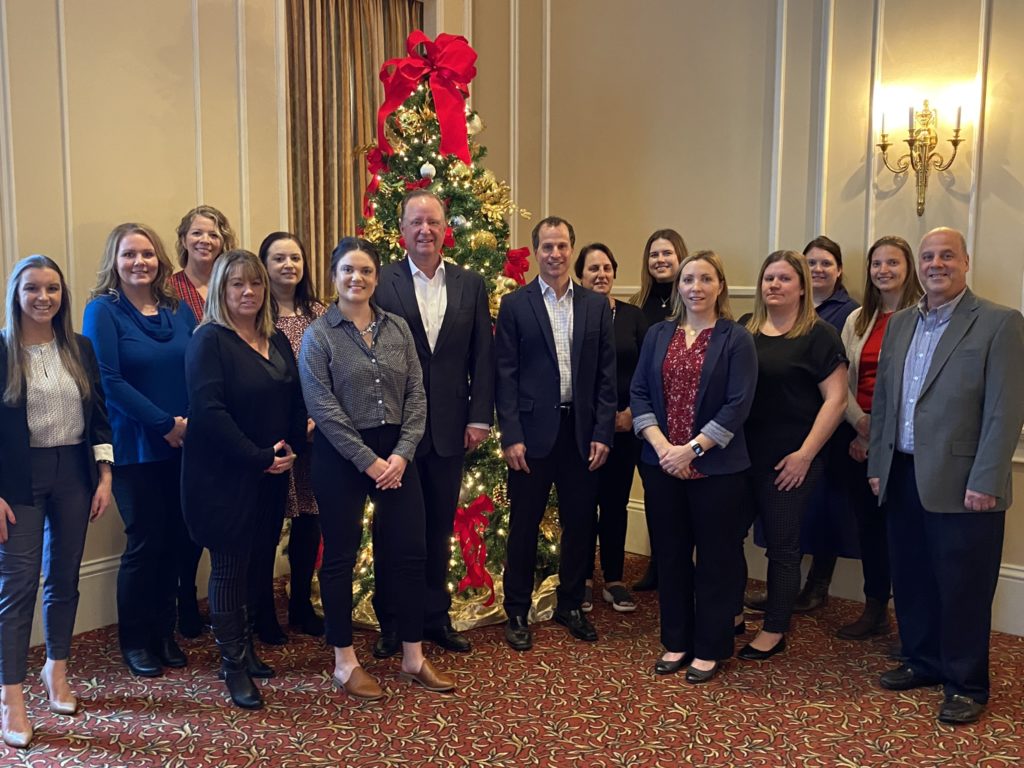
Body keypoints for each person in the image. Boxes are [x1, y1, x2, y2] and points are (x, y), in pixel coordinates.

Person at [869, 227, 1024, 725]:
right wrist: (878, 465)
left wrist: (988, 478)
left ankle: (966, 683)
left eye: (947, 256)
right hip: (903, 473)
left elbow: (1006, 410)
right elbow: (887, 404)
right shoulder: (900, 324)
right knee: (911, 577)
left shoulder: (1000, 323)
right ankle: (922, 661)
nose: (937, 264)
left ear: (966, 262)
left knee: (963, 587)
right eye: (929, 256)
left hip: (966, 484)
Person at [300, 237, 455, 701]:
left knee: (410, 553)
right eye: (348, 270)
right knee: (342, 557)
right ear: (334, 276)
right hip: (342, 456)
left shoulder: (397, 329)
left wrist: (402, 454)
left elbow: (417, 396)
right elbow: (322, 407)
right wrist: (368, 462)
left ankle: (412, 656)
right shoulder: (319, 334)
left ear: (376, 277)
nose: (357, 278)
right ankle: (344, 662)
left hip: (397, 455)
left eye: (366, 271)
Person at [181, 250, 306, 710]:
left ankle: (247, 650)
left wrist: (293, 444)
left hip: (271, 473)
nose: (248, 292)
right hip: (224, 476)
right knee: (230, 569)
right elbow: (209, 413)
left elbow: (295, 397)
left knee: (257, 562)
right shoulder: (208, 340)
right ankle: (232, 663)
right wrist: (258, 457)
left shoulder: (275, 340)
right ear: (221, 290)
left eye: (254, 283)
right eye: (237, 284)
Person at [372, 191, 494, 657]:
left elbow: (483, 356)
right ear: (401, 229)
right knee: (392, 531)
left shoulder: (470, 284)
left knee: (438, 529)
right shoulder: (381, 282)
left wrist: (479, 417)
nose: (425, 229)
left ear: (447, 229)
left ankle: (434, 618)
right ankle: (392, 623)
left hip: (449, 429)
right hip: (394, 430)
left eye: (433, 222)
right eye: (416, 222)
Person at [1, 255, 113, 749]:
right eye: (32, 289)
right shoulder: (2, 351)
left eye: (52, 288)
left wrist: (105, 475)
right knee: (18, 586)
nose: (43, 297)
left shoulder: (79, 348)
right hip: (17, 480)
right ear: (16, 295)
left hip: (76, 473)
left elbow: (100, 419)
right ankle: (11, 698)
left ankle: (57, 671)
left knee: (64, 577)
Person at [630, 251, 757, 683]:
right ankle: (677, 641)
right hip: (660, 464)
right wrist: (665, 447)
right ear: (678, 287)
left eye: (705, 279)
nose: (696, 287)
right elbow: (640, 393)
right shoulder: (658, 334)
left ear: (720, 285)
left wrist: (692, 451)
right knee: (671, 556)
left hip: (717, 470)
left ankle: (711, 647)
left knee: (717, 560)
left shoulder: (735, 338)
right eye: (688, 279)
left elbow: (738, 404)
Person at [496, 216, 616, 651]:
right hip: (530, 435)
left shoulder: (595, 306)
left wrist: (603, 430)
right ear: (536, 251)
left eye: (563, 246)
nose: (555, 254)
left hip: (582, 433)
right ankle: (517, 610)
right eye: (547, 246)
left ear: (572, 249)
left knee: (580, 523)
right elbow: (504, 376)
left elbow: (607, 375)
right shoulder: (515, 305)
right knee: (523, 526)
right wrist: (510, 436)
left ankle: (570, 605)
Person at [82, 224, 196, 678]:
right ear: (115, 261)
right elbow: (107, 380)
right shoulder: (102, 311)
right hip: (135, 448)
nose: (139, 262)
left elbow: (197, 364)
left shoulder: (178, 308)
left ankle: (164, 633)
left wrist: (186, 424)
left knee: (179, 541)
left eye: (147, 254)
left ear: (160, 260)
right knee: (145, 542)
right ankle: (136, 639)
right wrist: (164, 423)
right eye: (129, 255)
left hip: (185, 445)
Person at [739, 251, 847, 661]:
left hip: (790, 461)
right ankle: (732, 613)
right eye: (768, 278)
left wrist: (804, 455)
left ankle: (774, 629)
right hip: (741, 458)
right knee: (728, 538)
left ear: (802, 286)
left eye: (784, 279)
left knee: (783, 548)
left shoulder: (820, 335)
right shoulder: (746, 331)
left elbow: (836, 401)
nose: (774, 286)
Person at [833, 236, 922, 641]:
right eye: (876, 264)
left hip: (903, 444)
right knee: (869, 529)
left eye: (892, 263)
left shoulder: (925, 316)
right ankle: (874, 610)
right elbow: (842, 381)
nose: (883, 270)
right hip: (857, 434)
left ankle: (913, 623)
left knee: (903, 533)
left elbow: (916, 387)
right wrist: (859, 423)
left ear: (909, 268)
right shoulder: (856, 319)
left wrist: (878, 434)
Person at [168, 204, 237, 638]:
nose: (205, 240)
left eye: (212, 234)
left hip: (229, 413)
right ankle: (184, 599)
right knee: (186, 519)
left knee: (223, 513)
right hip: (184, 416)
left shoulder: (233, 284)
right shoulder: (169, 289)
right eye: (197, 233)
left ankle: (226, 601)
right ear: (184, 239)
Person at [258, 231, 327, 640]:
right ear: (264, 265)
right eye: (279, 258)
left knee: (309, 524)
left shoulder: (319, 312)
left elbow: (333, 370)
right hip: (274, 438)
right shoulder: (255, 314)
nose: (289, 265)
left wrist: (317, 418)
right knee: (266, 528)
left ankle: (301, 603)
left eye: (295, 258)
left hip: (317, 437)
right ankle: (264, 612)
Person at [575, 243, 647, 613]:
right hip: (584, 428)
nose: (600, 274)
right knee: (585, 503)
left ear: (615, 273)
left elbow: (648, 370)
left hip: (626, 426)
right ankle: (584, 577)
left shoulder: (634, 317)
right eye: (592, 269)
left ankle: (615, 578)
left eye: (606, 267)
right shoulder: (573, 314)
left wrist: (633, 413)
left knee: (616, 504)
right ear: (580, 276)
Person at [630, 228, 688, 592]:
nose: (660, 260)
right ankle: (658, 563)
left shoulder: (692, 301)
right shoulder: (638, 305)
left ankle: (683, 564)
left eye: (667, 253)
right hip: (649, 421)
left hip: (687, 421)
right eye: (654, 255)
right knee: (656, 496)